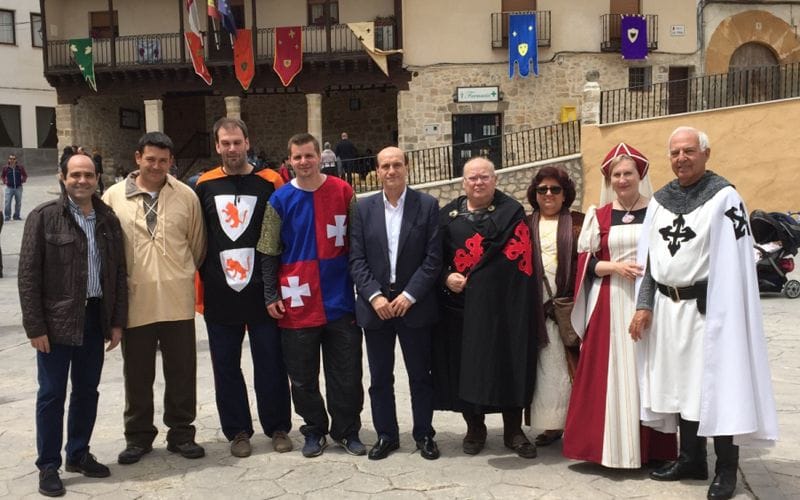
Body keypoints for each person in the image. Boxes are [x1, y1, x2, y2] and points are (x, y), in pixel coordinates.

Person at [629, 127, 778, 499]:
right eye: (675, 152)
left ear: (705, 154)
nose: (681, 158)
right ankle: (691, 459)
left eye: (689, 151)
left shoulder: (725, 197)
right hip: (668, 309)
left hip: (709, 312)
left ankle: (726, 469)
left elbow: (736, 261)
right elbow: (649, 260)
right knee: (682, 387)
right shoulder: (660, 200)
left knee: (718, 385)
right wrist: (645, 304)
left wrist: (727, 310)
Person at [19, 154, 127, 496]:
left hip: (94, 318)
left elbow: (118, 273)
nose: (82, 181)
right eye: (75, 174)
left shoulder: (108, 219)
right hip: (56, 321)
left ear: (97, 178)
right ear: (62, 177)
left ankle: (78, 453)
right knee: (52, 394)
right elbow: (28, 275)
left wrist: (117, 321)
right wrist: (35, 327)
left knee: (86, 390)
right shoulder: (43, 217)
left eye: (89, 175)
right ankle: (48, 465)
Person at [563, 144, 676, 468]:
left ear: (640, 176)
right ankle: (607, 449)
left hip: (648, 300)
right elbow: (586, 263)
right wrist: (614, 267)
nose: (622, 179)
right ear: (609, 179)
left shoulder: (658, 212)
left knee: (646, 370)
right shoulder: (598, 216)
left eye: (628, 173)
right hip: (609, 301)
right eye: (616, 174)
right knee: (608, 373)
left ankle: (652, 449)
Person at [257, 133, 365, 458]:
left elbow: (357, 242)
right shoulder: (279, 200)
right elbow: (268, 250)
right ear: (289, 161)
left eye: (309, 155)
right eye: (297, 157)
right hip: (298, 300)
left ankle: (347, 430)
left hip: (339, 298)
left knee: (346, 374)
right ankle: (314, 429)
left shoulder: (343, 191)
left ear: (321, 157)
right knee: (303, 378)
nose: (304, 162)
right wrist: (270, 294)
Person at [102, 132, 207, 465]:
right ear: (138, 158)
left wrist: (178, 272)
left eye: (163, 160)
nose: (156, 166)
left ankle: (181, 434)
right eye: (150, 159)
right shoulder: (113, 197)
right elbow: (108, 250)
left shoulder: (186, 196)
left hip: (177, 300)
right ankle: (138, 437)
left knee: (181, 372)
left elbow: (197, 245)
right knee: (137, 374)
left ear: (171, 161)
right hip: (136, 300)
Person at [195, 118, 293, 458]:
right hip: (220, 291)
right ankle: (237, 431)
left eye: (237, 142)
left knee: (271, 362)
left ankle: (278, 426)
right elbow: (198, 234)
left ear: (248, 143)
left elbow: (281, 233)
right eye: (226, 143)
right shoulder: (204, 185)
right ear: (217, 146)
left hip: (262, 291)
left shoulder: (270, 181)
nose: (232, 148)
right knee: (225, 365)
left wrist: (277, 287)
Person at [432, 157, 538, 459]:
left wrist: (481, 283)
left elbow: (515, 258)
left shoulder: (511, 212)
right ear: (463, 182)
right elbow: (433, 257)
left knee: (508, 365)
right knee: (467, 368)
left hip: (503, 308)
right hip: (461, 309)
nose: (478, 182)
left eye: (484, 177)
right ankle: (475, 428)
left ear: (495, 179)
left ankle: (513, 431)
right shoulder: (447, 216)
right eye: (472, 178)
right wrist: (445, 276)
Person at [349, 146, 442, 461]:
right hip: (376, 307)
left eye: (397, 165)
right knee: (379, 378)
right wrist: (374, 295)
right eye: (385, 166)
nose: (391, 171)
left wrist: (409, 295)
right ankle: (386, 435)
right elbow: (356, 258)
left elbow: (433, 259)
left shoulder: (427, 206)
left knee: (420, 376)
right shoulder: (363, 208)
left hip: (414, 305)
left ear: (407, 167)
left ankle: (424, 434)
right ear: (377, 171)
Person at [527, 166, 584, 448]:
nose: (548, 194)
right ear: (535, 194)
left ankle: (576, 424)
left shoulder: (578, 224)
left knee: (570, 369)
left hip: (567, 307)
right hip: (534, 310)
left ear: (565, 194)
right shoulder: (524, 225)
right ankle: (551, 425)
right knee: (545, 372)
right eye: (542, 189)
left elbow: (587, 262)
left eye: (555, 189)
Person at [3, 154, 28, 220]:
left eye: (13, 159)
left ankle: (16, 216)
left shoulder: (20, 167)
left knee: (18, 203)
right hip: (9, 188)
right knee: (7, 202)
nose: (12, 160)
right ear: (8, 160)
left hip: (18, 188)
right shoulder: (6, 168)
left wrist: (23, 180)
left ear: (16, 160)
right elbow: (2, 176)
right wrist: (5, 181)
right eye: (11, 159)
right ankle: (7, 216)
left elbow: (25, 175)